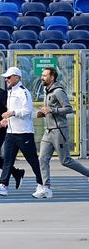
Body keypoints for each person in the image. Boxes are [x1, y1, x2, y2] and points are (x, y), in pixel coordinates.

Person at [0, 67, 44, 198]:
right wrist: (4, 121)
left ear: (17, 77)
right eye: (6, 77)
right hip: (11, 132)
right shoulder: (11, 91)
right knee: (8, 160)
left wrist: (12, 113)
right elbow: (12, 112)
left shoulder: (23, 92)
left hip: (24, 132)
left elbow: (27, 111)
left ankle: (42, 184)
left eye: (9, 77)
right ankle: (3, 185)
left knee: (32, 160)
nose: (6, 79)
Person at [37, 67, 89, 198]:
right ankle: (46, 188)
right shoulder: (47, 90)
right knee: (42, 159)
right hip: (48, 131)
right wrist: (43, 113)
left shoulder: (58, 91)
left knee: (65, 160)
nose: (42, 77)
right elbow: (50, 110)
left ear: (52, 77)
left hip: (59, 131)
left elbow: (69, 109)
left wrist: (52, 110)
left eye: (44, 75)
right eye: (42, 75)